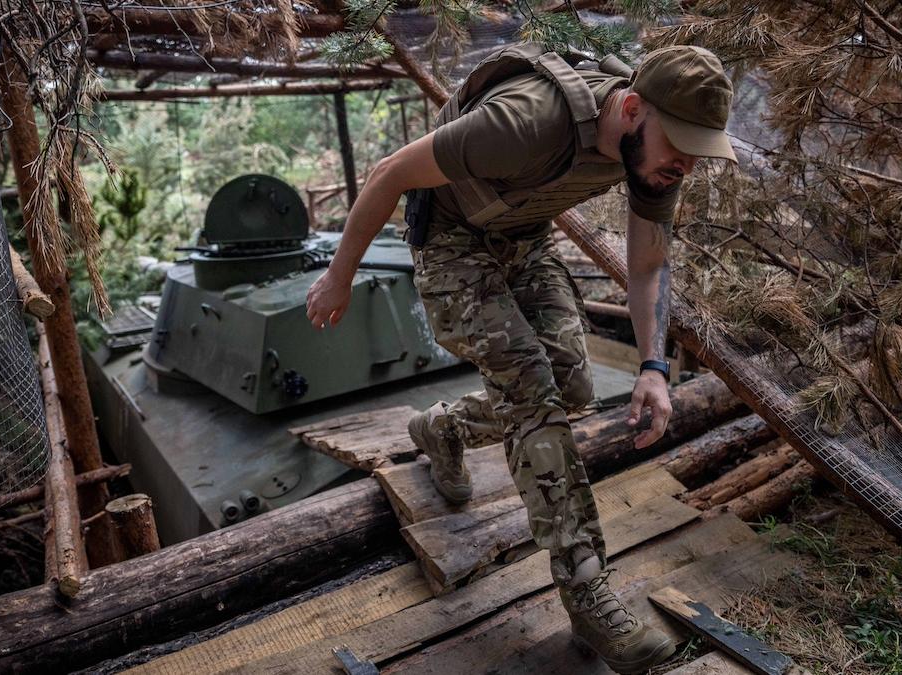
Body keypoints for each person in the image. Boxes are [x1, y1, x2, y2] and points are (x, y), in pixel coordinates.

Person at [306, 43, 736, 674]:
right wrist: (339, 276)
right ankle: (587, 589)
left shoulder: (653, 159)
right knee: (532, 390)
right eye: (679, 147)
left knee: (575, 386)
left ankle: (444, 427)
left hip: (522, 240)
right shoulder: (527, 121)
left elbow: (647, 264)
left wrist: (653, 368)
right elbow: (387, 173)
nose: (685, 168)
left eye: (697, 154)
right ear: (634, 109)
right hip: (451, 243)